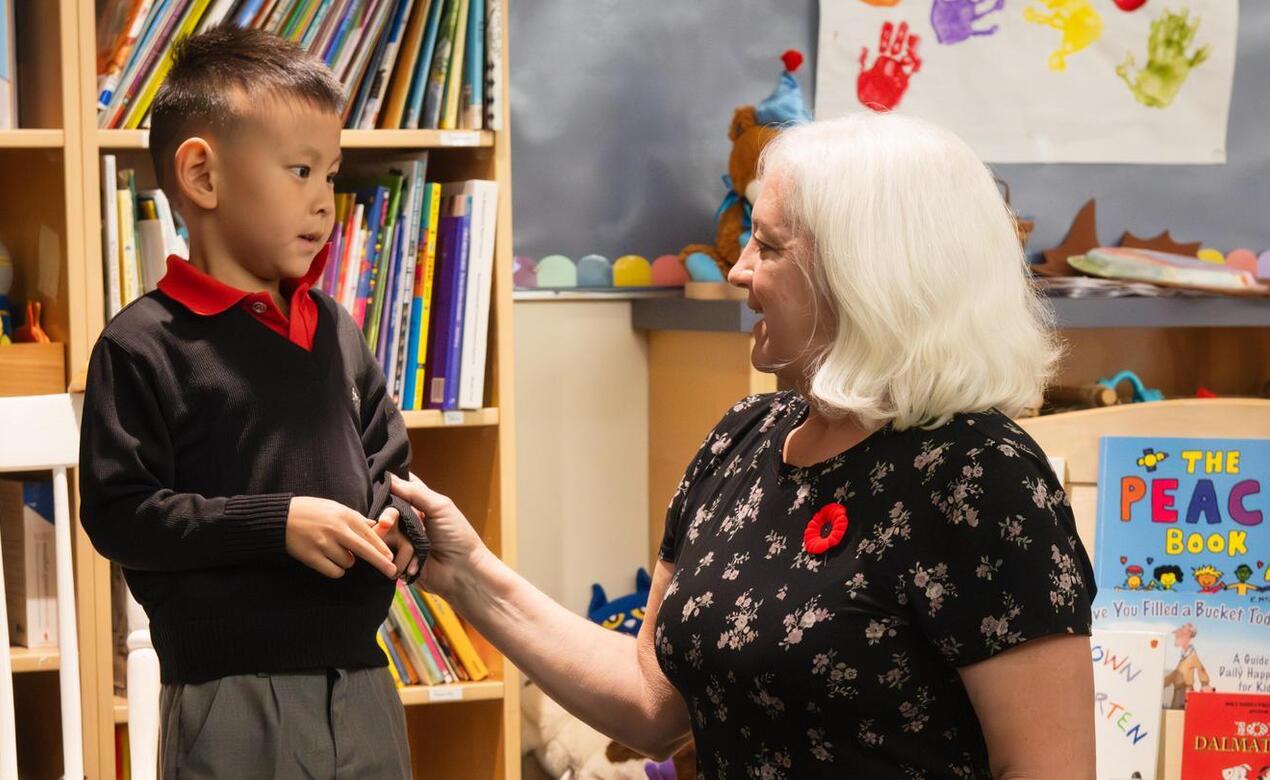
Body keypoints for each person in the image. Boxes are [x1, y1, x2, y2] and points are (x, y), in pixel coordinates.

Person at [393, 113, 1098, 778]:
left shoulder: (982, 476)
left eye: (770, 246)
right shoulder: (745, 438)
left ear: (864, 276)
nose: (738, 269)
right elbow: (652, 703)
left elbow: (1048, 766)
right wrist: (467, 575)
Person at [78, 26, 427, 778]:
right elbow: (120, 513)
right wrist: (277, 525)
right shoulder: (142, 346)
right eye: (300, 170)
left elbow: (389, 466)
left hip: (364, 689)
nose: (325, 203)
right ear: (203, 177)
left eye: (330, 175)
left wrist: (404, 532)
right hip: (229, 699)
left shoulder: (336, 330)